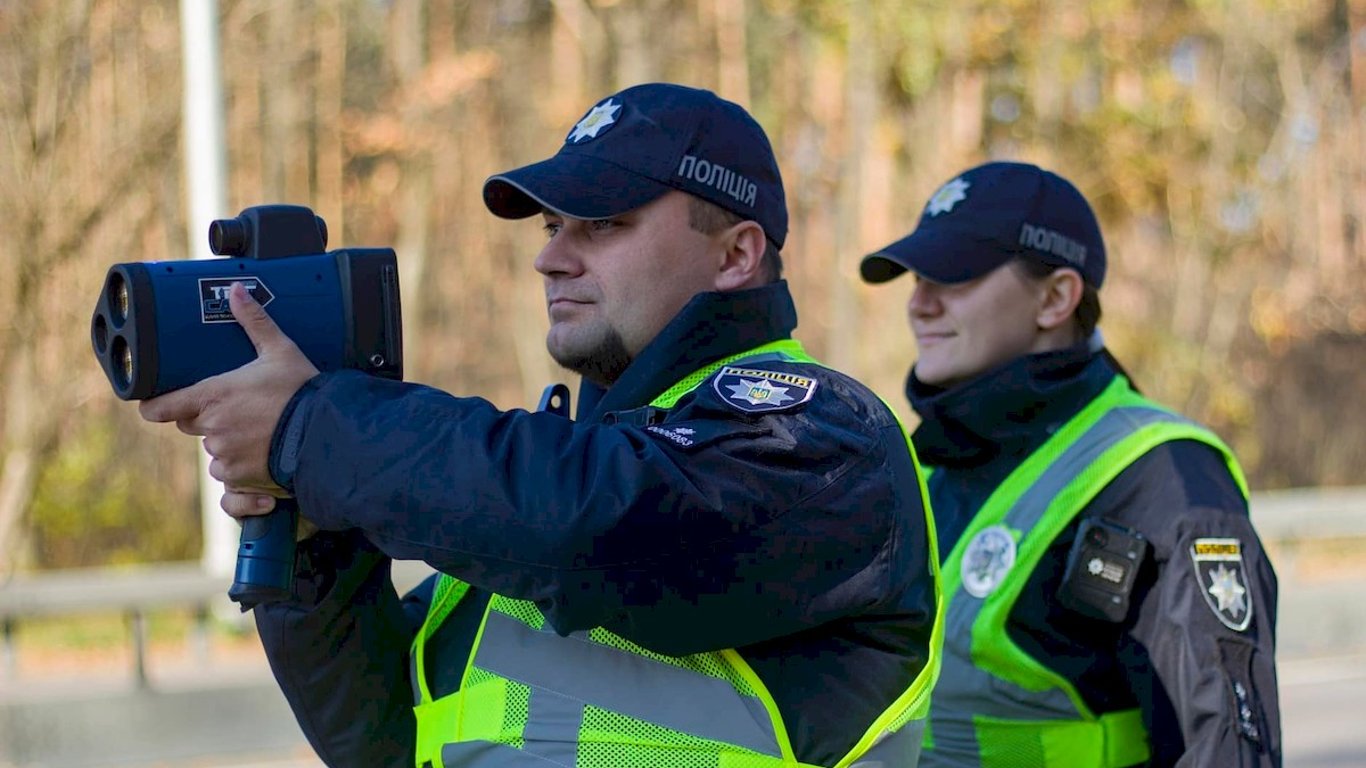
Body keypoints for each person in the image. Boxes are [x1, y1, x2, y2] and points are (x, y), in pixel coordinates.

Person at [140, 83, 942, 768]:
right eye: (551, 227)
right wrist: (317, 551)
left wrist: (311, 428)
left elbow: (597, 526)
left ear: (735, 255)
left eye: (603, 225)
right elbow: (386, 739)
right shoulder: (545, 485)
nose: (551, 258)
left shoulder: (826, 439)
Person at [859, 161, 1280, 767]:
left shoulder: (1167, 477)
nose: (919, 305)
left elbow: (1227, 749)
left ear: (1056, 297)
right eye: (916, 279)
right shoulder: (922, 464)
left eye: (953, 277)